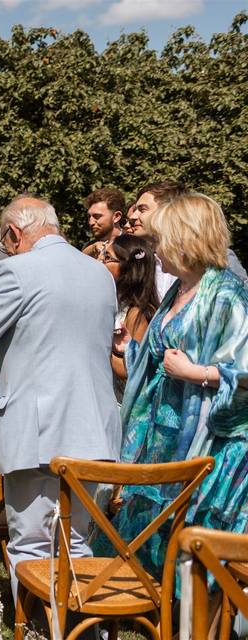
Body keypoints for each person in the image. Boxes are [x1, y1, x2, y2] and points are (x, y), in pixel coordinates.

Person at [0, 195, 121, 600]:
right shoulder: (99, 274)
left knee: (31, 542)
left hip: (35, 428)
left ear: (13, 233)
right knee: (76, 541)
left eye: (6, 243)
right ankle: (80, 625)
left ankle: (37, 628)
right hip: (93, 427)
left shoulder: (16, 270)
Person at [107, 192, 248, 574]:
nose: (154, 252)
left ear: (187, 239)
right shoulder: (178, 290)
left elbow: (245, 372)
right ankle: (152, 604)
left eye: (159, 241)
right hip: (159, 431)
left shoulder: (227, 296)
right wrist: (130, 349)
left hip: (203, 439)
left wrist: (195, 373)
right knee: (150, 519)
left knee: (187, 526)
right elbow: (159, 360)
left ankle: (183, 612)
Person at [103, 234, 158, 403]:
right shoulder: (115, 303)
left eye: (107, 257)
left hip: (125, 407)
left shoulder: (137, 314)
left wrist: (97, 345)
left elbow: (130, 370)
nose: (100, 262)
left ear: (127, 268)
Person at [82, 187, 125, 260]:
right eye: (89, 217)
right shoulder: (89, 247)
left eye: (97, 216)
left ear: (116, 217)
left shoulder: (131, 246)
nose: (91, 222)